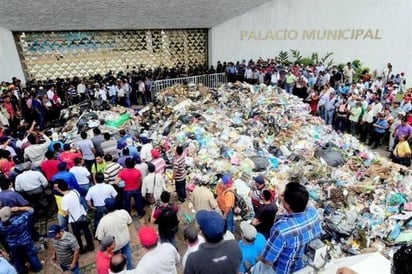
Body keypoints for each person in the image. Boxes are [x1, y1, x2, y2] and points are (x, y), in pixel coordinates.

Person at [260, 182, 322, 274]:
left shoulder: (282, 230)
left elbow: (268, 260)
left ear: (288, 205)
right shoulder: (314, 213)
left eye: (283, 195)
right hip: (307, 265)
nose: (281, 196)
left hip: (286, 271)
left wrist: (260, 258)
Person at [0, 206, 43, 274]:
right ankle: (37, 268)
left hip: (12, 244)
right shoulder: (20, 219)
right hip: (26, 241)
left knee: (17, 259)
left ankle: (22, 272)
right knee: (32, 255)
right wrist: (19, 208)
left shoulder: (1, 226)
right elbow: (31, 210)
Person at [96, 198, 134, 270]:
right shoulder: (123, 212)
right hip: (125, 240)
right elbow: (129, 222)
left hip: (113, 247)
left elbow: (100, 238)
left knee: (117, 262)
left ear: (106, 208)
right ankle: (130, 270)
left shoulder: (103, 221)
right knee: (128, 257)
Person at [58, 180, 94, 254]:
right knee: (86, 231)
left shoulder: (64, 199)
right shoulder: (75, 191)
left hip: (74, 220)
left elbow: (65, 211)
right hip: (82, 215)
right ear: (67, 186)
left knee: (77, 235)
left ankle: (81, 249)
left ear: (59, 189)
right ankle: (90, 246)